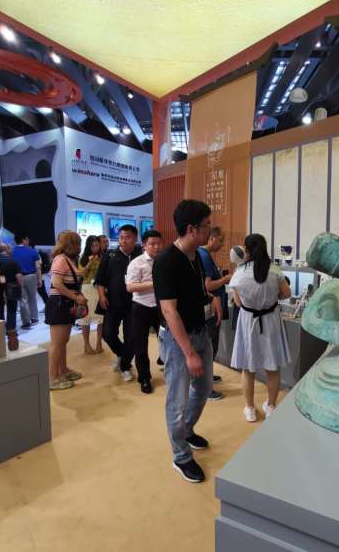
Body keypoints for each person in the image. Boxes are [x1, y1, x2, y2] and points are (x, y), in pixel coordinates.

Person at [154, 199, 220, 483]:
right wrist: (189, 352)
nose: (210, 230)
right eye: (207, 226)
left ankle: (186, 430)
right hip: (179, 340)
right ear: (191, 229)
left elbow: (196, 291)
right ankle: (180, 456)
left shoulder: (197, 256)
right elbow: (170, 311)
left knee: (203, 388)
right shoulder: (166, 261)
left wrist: (212, 297)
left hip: (201, 331)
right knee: (177, 400)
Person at [229, 234, 291, 422]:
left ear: (247, 250)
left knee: (248, 368)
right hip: (270, 320)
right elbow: (286, 293)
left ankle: (249, 408)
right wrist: (272, 298)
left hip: (248, 321)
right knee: (272, 366)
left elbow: (238, 303)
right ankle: (271, 405)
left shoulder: (239, 273)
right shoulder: (275, 270)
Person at [95, 224, 141, 382]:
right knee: (107, 334)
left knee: (131, 337)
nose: (124, 241)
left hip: (135, 304)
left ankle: (125, 366)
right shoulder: (110, 255)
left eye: (128, 237)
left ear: (135, 238)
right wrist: (102, 296)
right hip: (113, 303)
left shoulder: (141, 254)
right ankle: (122, 354)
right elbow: (100, 279)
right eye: (121, 237)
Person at [44, 231, 86, 390]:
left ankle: (63, 370)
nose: (80, 247)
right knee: (57, 343)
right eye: (78, 243)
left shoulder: (67, 259)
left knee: (63, 341)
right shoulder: (61, 259)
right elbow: (56, 283)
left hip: (65, 303)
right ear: (70, 244)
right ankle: (52, 377)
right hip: (59, 304)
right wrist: (75, 297)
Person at [126, 229, 163, 394]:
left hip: (161, 307)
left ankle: (167, 365)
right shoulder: (136, 263)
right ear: (144, 245)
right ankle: (144, 377)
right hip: (141, 307)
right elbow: (130, 287)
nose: (157, 247)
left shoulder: (163, 260)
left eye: (159, 243)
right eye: (152, 244)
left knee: (168, 340)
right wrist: (154, 283)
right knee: (140, 345)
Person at [198, 226, 232, 401]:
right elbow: (208, 286)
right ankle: (205, 387)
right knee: (209, 346)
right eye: (221, 240)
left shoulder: (203, 255)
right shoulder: (204, 256)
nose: (222, 244)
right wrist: (225, 279)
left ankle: (207, 377)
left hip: (211, 309)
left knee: (209, 346)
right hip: (210, 309)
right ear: (212, 238)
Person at [77, 235, 104, 354]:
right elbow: (81, 274)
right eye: (93, 246)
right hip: (87, 289)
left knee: (101, 318)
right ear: (88, 246)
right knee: (85, 318)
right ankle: (86, 345)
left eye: (97, 245)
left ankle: (99, 343)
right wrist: (89, 263)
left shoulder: (103, 257)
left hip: (100, 289)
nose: (95, 248)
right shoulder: (83, 258)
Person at [12, 233, 42, 328]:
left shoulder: (12, 251)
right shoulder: (32, 251)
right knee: (32, 298)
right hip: (31, 276)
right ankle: (34, 318)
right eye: (27, 239)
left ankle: (26, 322)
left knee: (23, 299)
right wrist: (40, 279)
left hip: (18, 277)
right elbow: (38, 266)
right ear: (24, 239)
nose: (28, 241)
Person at [0, 243, 23, 351]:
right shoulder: (13, 261)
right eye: (10, 248)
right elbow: (18, 276)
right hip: (12, 288)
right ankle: (11, 329)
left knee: (0, 309)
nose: (11, 250)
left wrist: (2, 286)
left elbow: (1, 276)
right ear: (7, 249)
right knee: (12, 309)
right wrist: (21, 287)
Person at [31, 240, 50, 305]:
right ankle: (48, 306)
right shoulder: (34, 253)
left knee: (42, 292)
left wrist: (39, 278)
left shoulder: (35, 253)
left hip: (37, 276)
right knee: (41, 292)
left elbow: (39, 266)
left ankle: (48, 306)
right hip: (37, 276)